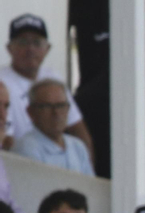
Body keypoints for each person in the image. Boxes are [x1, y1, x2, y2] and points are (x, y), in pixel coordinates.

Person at [3, 15, 92, 158]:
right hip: (20, 164)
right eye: (22, 42)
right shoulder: (2, 83)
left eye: (37, 43)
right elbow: (5, 141)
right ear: (9, 48)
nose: (30, 49)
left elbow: (78, 129)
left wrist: (87, 170)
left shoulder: (53, 77)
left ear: (47, 48)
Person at [13, 80, 91, 175]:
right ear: (31, 112)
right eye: (47, 106)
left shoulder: (78, 146)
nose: (56, 113)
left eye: (61, 105)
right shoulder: (26, 148)